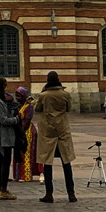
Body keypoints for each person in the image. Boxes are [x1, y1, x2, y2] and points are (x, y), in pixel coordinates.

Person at [34, 72, 77, 204]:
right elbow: (69, 108)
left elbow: (37, 109)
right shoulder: (65, 94)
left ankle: (49, 193)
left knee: (47, 163)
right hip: (62, 131)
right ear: (58, 79)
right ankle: (71, 193)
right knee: (66, 163)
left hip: (48, 132)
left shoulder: (43, 96)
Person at [0, 79, 19, 199]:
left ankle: (1, 190)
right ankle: (3, 190)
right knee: (5, 164)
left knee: (3, 164)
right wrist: (17, 119)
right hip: (4, 137)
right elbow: (4, 120)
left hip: (2, 137)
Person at [13, 88, 42, 183]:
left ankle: (26, 175)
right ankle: (19, 174)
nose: (17, 98)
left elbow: (27, 120)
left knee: (26, 152)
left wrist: (21, 132)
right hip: (20, 130)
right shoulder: (20, 106)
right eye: (16, 95)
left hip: (27, 131)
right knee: (19, 152)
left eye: (19, 96)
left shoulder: (28, 107)